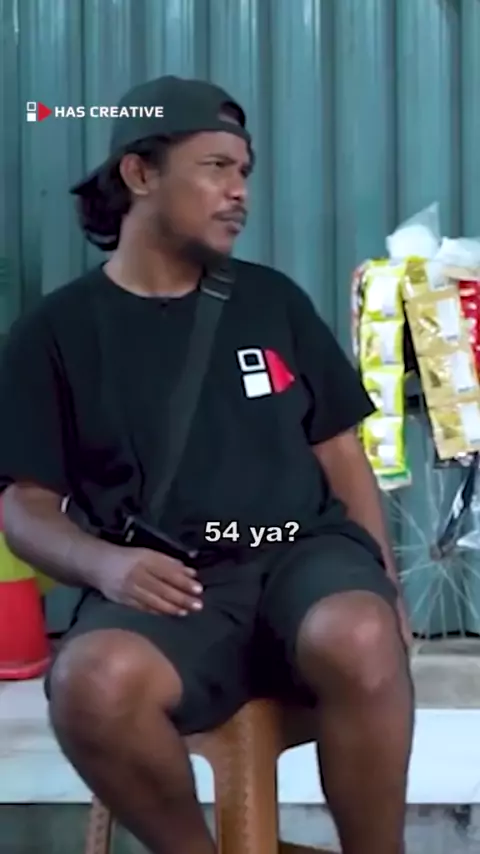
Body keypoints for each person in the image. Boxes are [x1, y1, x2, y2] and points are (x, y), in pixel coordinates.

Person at [0, 75, 414, 854]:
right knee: (93, 682)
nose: (239, 191)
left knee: (361, 633)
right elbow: (24, 504)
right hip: (170, 586)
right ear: (140, 173)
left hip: (301, 555)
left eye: (244, 171)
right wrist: (105, 565)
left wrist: (386, 585)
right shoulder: (54, 333)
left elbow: (339, 450)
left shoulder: (272, 302)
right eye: (216, 166)